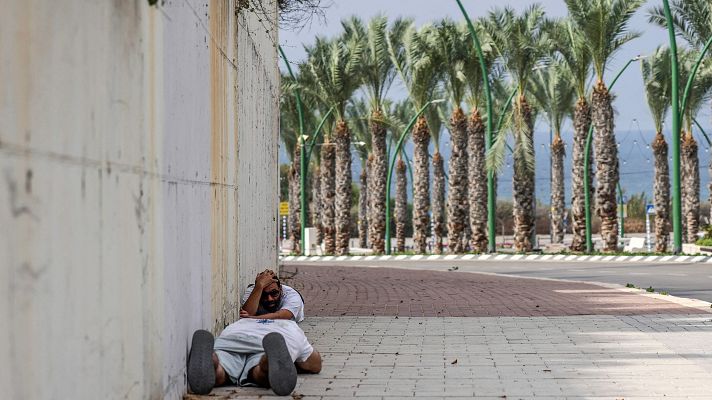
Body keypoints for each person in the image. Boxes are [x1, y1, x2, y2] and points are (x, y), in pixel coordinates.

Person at [187, 319, 322, 396]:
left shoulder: (240, 322)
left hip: (230, 340)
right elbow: (314, 364)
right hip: (263, 344)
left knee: (222, 369)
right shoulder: (290, 325)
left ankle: (213, 360)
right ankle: (267, 362)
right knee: (259, 374)